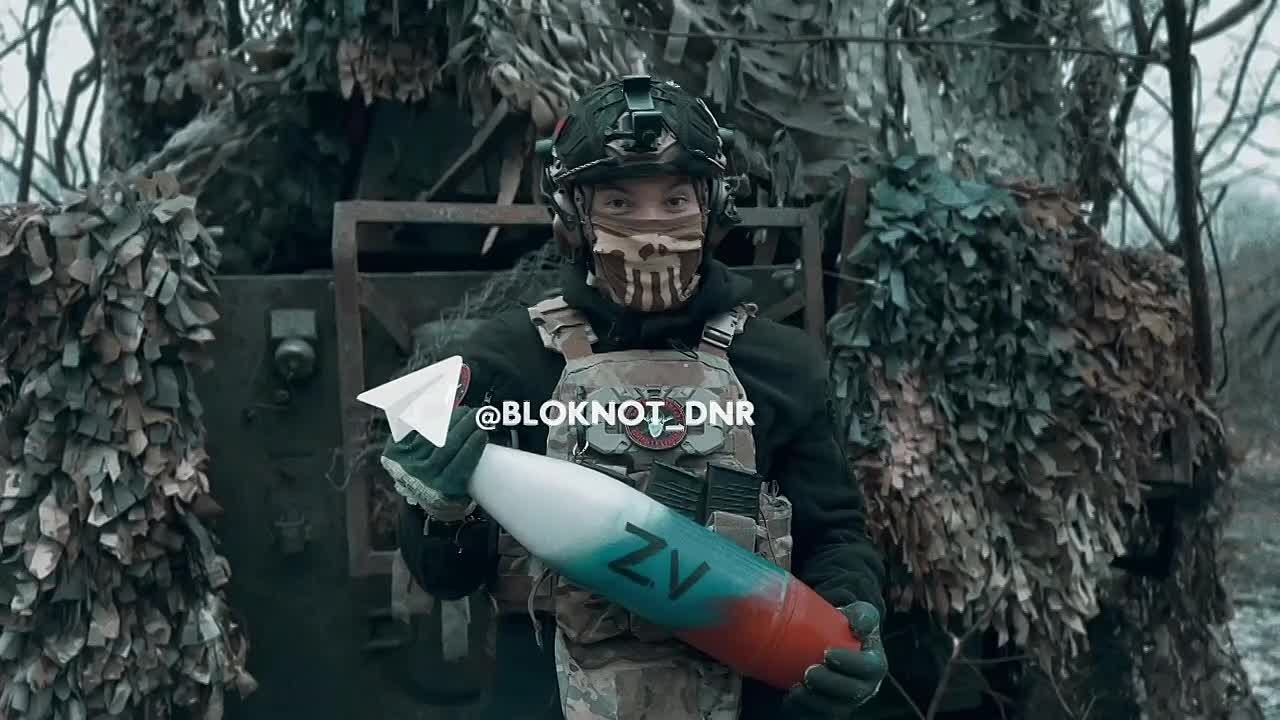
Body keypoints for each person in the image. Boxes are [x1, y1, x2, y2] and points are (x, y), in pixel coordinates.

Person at [383, 75, 887, 720]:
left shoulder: (781, 365)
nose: (651, 230)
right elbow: (447, 577)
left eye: (675, 199)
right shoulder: (509, 360)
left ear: (713, 206)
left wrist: (845, 617)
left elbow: (833, 534)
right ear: (574, 214)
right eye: (619, 202)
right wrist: (440, 513)